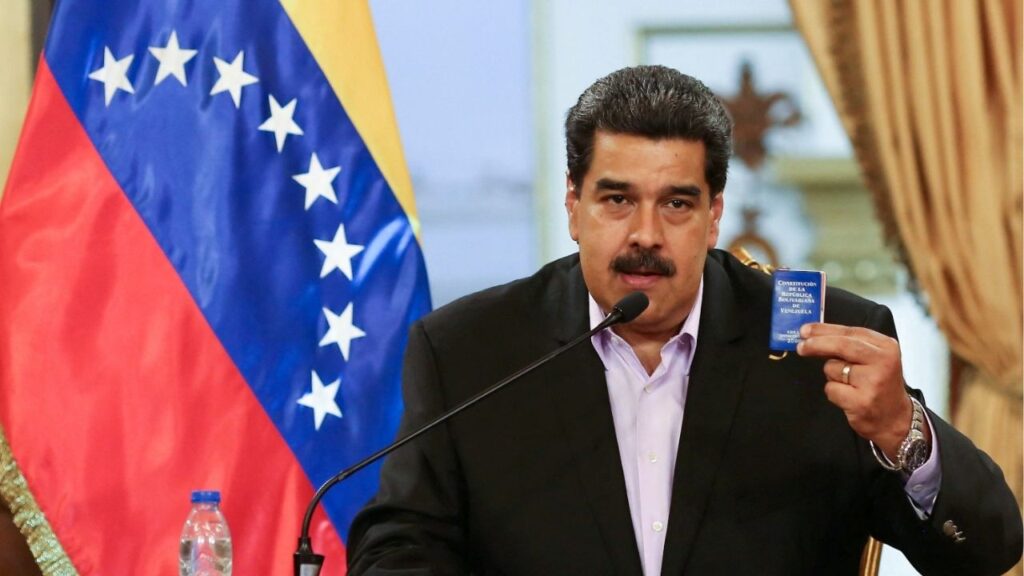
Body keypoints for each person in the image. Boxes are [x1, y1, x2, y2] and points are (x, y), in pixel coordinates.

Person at [347, 65, 1022, 576]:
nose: (645, 234)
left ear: (714, 214)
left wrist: (902, 431)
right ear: (574, 205)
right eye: (617, 200)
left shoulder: (827, 344)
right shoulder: (471, 350)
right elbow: (399, 546)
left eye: (676, 204)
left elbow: (987, 549)